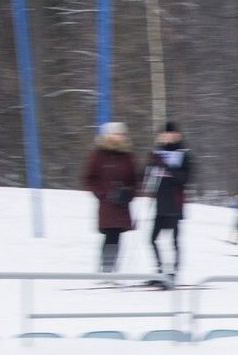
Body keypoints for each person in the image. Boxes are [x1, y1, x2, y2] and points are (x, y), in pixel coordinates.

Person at [82, 122, 139, 274]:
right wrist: (102, 194)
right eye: (114, 134)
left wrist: (129, 193)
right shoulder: (98, 154)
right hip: (107, 203)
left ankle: (112, 268)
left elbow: (134, 180)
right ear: (107, 135)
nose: (118, 137)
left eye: (121, 134)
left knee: (117, 235)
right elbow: (89, 179)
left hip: (122, 203)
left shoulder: (127, 156)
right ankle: (106, 268)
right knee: (109, 234)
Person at [142, 121, 193, 285]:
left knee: (173, 240)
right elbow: (145, 176)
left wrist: (167, 167)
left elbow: (184, 179)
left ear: (176, 135)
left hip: (175, 203)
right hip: (159, 203)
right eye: (164, 134)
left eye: (170, 133)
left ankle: (173, 273)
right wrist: (150, 165)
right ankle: (159, 270)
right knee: (152, 239)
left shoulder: (184, 154)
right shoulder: (157, 152)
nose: (167, 136)